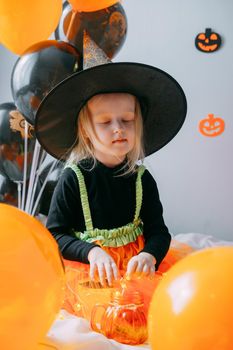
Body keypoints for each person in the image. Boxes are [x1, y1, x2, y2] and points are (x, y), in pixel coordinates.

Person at [35, 33, 187, 315]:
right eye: (105, 122)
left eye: (127, 120)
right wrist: (91, 251)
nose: (119, 128)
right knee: (111, 316)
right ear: (86, 131)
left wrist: (149, 254)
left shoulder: (142, 179)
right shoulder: (74, 179)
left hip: (133, 270)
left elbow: (158, 231)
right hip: (92, 270)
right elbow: (55, 235)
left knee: (161, 307)